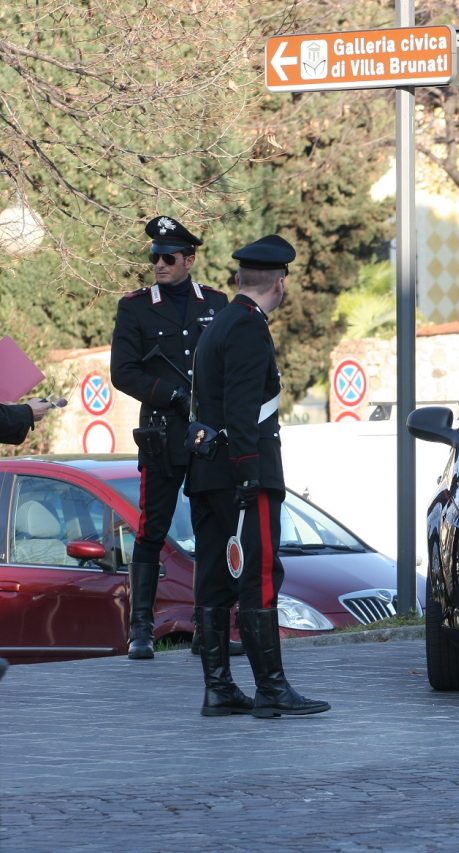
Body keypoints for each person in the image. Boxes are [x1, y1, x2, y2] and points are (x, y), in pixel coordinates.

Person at [186, 234, 328, 718]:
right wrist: (249, 473)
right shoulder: (248, 326)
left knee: (213, 579)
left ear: (239, 278)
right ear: (280, 283)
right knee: (259, 577)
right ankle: (271, 688)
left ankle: (220, 688)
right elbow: (243, 407)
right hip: (242, 472)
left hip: (208, 472)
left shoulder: (220, 323)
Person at [111, 216, 229, 660]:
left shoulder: (215, 303)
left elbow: (227, 363)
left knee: (210, 529)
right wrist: (171, 394)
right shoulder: (136, 307)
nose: (159, 264)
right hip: (162, 433)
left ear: (189, 260)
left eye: (168, 257)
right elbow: (123, 372)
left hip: (205, 435)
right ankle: (141, 630)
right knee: (152, 530)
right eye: (154, 257)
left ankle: (207, 628)